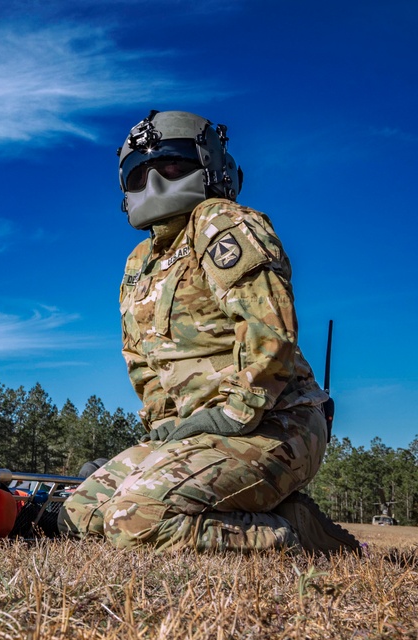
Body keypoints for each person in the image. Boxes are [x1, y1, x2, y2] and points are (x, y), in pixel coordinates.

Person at [59, 110, 360, 554]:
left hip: (273, 422)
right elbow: (143, 363)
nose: (156, 182)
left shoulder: (220, 221)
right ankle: (248, 509)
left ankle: (290, 534)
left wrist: (237, 412)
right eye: (139, 173)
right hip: (199, 432)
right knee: (80, 514)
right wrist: (162, 435)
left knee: (134, 522)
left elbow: (269, 331)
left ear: (211, 166)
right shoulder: (138, 264)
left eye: (174, 166)